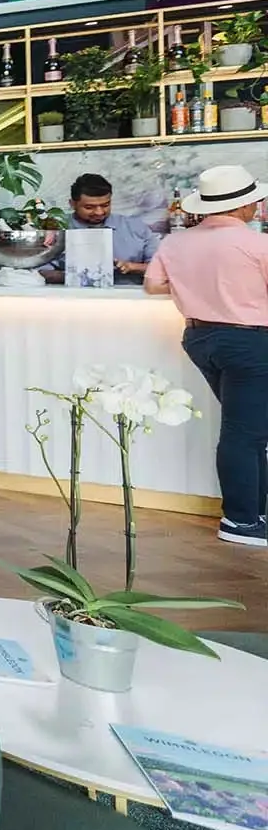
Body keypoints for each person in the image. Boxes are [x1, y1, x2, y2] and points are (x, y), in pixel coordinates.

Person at [143, 165, 268, 546]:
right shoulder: (256, 245)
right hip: (250, 343)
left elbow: (152, 285)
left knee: (251, 429)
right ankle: (240, 522)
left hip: (200, 338)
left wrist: (198, 286)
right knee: (244, 432)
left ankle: (255, 511)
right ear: (245, 206)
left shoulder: (175, 243)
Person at [41, 173, 160, 283]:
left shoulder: (135, 227)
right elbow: (38, 271)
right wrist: (77, 275)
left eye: (105, 205)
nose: (99, 212)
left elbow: (163, 268)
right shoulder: (55, 229)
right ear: (72, 204)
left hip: (130, 299)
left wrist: (132, 267)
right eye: (89, 207)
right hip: (71, 299)